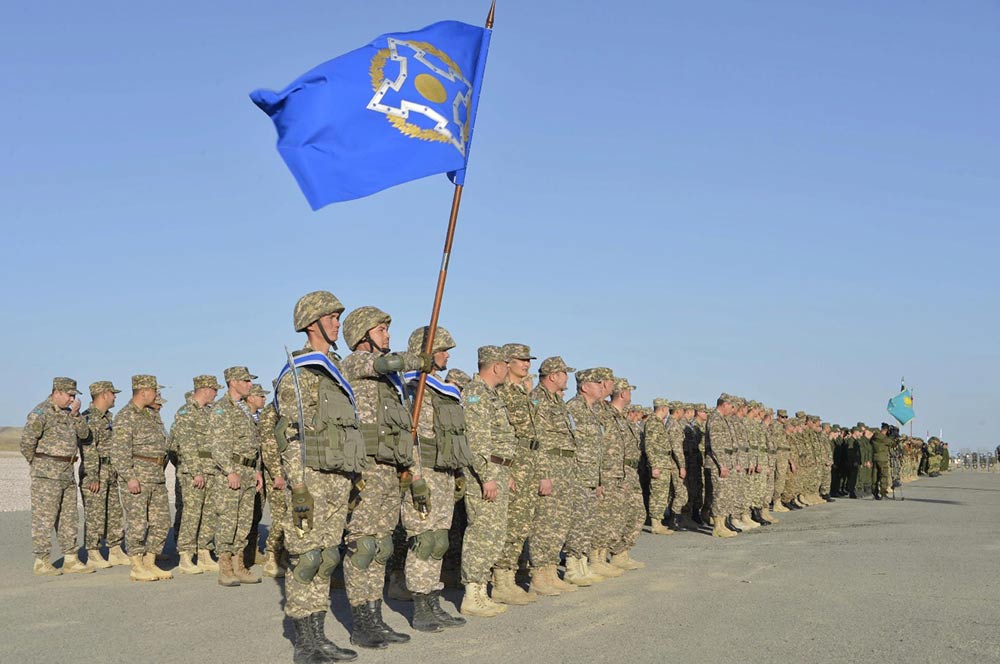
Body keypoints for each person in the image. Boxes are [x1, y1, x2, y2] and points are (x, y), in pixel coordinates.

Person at [275, 290, 361, 663]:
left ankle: (319, 636)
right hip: (310, 479)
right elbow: (291, 435)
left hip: (338, 477)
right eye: (332, 317)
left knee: (326, 557)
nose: (337, 323)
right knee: (306, 558)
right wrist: (297, 487)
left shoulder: (336, 370)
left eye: (338, 317)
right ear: (312, 323)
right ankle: (304, 642)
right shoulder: (301, 374)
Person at [340, 306, 427, 647]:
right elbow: (388, 362)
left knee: (381, 546)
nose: (388, 335)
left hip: (389, 467)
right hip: (366, 467)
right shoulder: (357, 362)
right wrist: (420, 359)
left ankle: (375, 618)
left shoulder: (389, 382)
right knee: (363, 544)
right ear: (363, 335)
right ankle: (361, 622)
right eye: (381, 329)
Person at [401, 325, 468, 631]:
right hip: (423, 472)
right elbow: (407, 436)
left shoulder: (439, 388)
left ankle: (432, 601)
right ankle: (419, 606)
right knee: (424, 540)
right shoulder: (411, 387)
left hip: (442, 472)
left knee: (439, 540)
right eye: (441, 349)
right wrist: (415, 477)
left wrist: (456, 471)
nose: (447, 355)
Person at [460, 346, 516, 617]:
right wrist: (488, 477)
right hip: (486, 474)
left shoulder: (492, 395)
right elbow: (477, 440)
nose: (509, 369)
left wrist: (506, 473)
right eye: (506, 364)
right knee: (482, 533)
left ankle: (481, 591)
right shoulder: (476, 393)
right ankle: (472, 594)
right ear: (496, 366)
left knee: (494, 534)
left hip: (498, 471)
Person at [21, 377, 93, 575]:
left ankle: (71, 558)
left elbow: (85, 435)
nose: (72, 399)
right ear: (57, 392)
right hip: (46, 475)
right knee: (44, 518)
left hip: (67, 473)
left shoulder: (70, 414)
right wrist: (39, 464)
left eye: (73, 396)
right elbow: (27, 443)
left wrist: (77, 415)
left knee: (69, 517)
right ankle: (41, 560)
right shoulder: (41, 412)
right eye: (70, 395)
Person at [494, 343, 544, 604]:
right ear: (507, 362)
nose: (526, 364)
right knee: (510, 523)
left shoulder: (524, 393)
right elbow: (501, 434)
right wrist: (507, 470)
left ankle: (510, 576)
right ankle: (501, 581)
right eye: (521, 360)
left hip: (529, 462)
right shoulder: (501, 392)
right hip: (514, 462)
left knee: (523, 522)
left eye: (528, 360)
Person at [110, 374, 174, 581]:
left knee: (162, 521)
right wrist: (129, 477)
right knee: (137, 523)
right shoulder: (126, 416)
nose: (156, 395)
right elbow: (119, 451)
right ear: (143, 392)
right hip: (137, 476)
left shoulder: (150, 415)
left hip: (156, 476)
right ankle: (136, 565)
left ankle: (150, 561)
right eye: (154, 391)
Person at [527, 356, 580, 595]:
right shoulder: (537, 400)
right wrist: (543, 474)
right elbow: (537, 441)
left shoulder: (559, 403)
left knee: (559, 523)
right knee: (545, 523)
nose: (566, 378)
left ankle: (550, 570)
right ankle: (538, 574)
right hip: (550, 466)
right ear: (552, 376)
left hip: (565, 468)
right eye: (564, 374)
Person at [210, 366, 264, 586]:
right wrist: (229, 470)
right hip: (232, 472)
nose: (250, 385)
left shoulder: (243, 409)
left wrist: (257, 470)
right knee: (228, 520)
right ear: (232, 382)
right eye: (246, 381)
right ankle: (225, 568)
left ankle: (239, 565)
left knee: (244, 521)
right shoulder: (222, 409)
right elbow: (219, 444)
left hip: (249, 472)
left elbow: (253, 444)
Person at [167, 375, 222, 574]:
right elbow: (186, 445)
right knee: (191, 514)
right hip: (194, 471)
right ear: (205, 389)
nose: (216, 393)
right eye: (214, 389)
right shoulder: (186, 412)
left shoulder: (210, 413)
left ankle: (205, 552)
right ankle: (186, 555)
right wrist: (195, 471)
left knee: (209, 514)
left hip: (211, 469)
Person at [79, 380, 128, 568]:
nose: (115, 397)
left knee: (114, 512)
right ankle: (93, 552)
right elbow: (89, 449)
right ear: (104, 395)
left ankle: (115, 549)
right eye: (113, 393)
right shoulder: (89, 418)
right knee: (95, 514)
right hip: (96, 472)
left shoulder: (107, 417)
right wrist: (93, 475)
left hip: (110, 471)